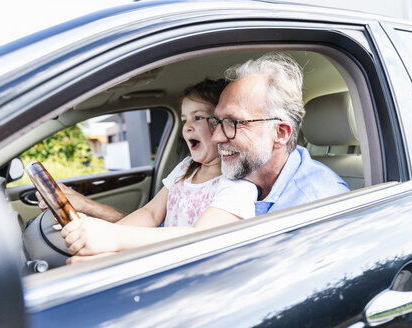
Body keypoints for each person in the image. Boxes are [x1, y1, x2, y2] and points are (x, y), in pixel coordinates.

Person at [41, 79, 257, 262]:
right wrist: (101, 238)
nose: (187, 126)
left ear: (223, 124)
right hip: (160, 257)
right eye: (184, 120)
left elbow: (200, 236)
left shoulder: (236, 183)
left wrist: (114, 237)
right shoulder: (185, 169)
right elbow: (150, 213)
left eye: (198, 117)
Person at [206, 52, 349, 215]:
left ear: (280, 133)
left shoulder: (319, 207)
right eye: (216, 121)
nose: (215, 138)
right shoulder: (221, 177)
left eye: (233, 122)